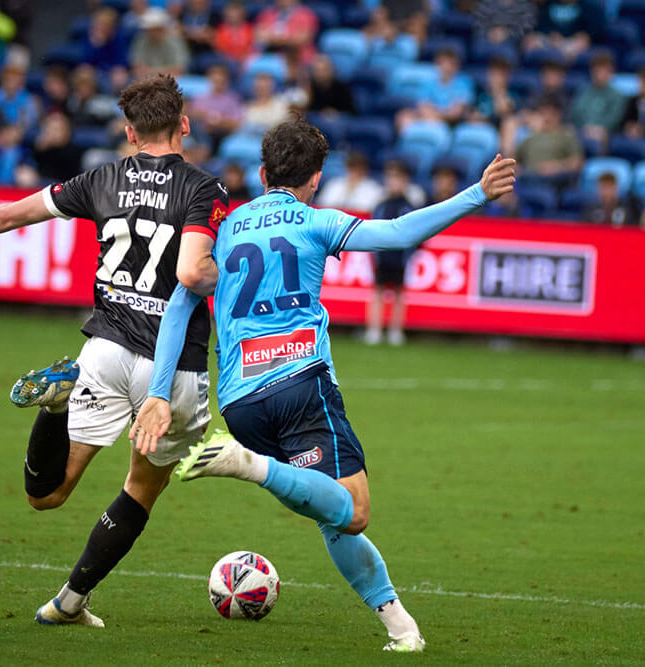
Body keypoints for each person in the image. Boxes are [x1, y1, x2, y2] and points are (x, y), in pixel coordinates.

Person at [0, 74, 228, 628]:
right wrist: (236, 275)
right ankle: (69, 601)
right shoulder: (204, 188)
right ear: (185, 125)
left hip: (102, 351)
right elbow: (193, 270)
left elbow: (6, 216)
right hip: (172, 368)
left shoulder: (102, 178)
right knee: (142, 487)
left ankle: (56, 408)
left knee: (47, 495)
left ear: (128, 132)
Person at [132, 117, 515, 653]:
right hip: (298, 383)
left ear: (263, 173)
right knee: (352, 509)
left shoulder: (229, 225)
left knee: (329, 508)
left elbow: (180, 302)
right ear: (315, 179)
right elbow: (399, 233)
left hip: (240, 400)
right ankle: (249, 466)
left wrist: (158, 391)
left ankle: (401, 627)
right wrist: (476, 193)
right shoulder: (317, 220)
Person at [365, 160, 417, 346]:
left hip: (400, 257)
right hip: (382, 256)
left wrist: (407, 254)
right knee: (377, 292)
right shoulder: (381, 205)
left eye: (398, 179)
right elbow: (372, 229)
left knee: (398, 293)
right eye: (391, 179)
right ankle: (374, 329)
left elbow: (416, 232)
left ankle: (396, 330)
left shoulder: (409, 206)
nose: (394, 183)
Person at [516, 94, 583, 190]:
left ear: (558, 115)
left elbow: (577, 162)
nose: (547, 117)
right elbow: (514, 160)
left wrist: (557, 167)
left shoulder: (566, 135)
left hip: (552, 182)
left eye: (551, 113)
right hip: (527, 180)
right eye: (544, 113)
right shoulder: (530, 137)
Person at [568, 50, 626, 144]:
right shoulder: (583, 91)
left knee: (601, 137)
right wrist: (586, 127)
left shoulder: (617, 95)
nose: (600, 74)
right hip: (582, 130)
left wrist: (598, 128)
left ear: (610, 72)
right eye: (597, 70)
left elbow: (615, 118)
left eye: (604, 70)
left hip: (606, 133)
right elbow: (575, 113)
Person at [130, 8, 189, 79]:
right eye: (149, 29)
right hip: (147, 80)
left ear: (162, 28)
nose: (152, 32)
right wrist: (164, 71)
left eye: (155, 29)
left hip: (171, 81)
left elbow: (178, 70)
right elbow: (138, 69)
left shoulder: (176, 41)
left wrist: (151, 71)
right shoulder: (141, 41)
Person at [316, 151, 384, 212]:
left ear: (365, 169)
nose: (355, 172)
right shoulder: (334, 184)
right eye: (352, 168)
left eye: (359, 168)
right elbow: (322, 206)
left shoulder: (374, 189)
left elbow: (369, 211)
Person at [212, 1, 254, 65]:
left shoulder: (250, 29)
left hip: (245, 60)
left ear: (242, 13)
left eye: (236, 11)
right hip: (226, 61)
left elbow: (251, 47)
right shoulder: (220, 29)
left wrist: (243, 57)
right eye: (231, 11)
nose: (233, 15)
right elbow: (219, 49)